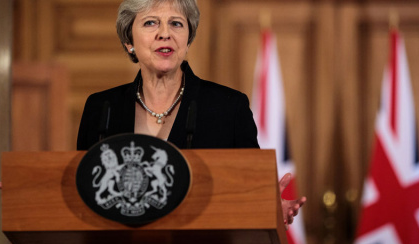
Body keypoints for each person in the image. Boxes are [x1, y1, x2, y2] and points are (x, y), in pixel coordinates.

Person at [76, 0, 305, 227]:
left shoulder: (228, 107)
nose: (165, 33)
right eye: (150, 23)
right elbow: (82, 191)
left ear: (188, 40)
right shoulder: (102, 108)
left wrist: (267, 204)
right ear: (129, 41)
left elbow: (249, 188)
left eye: (176, 24)